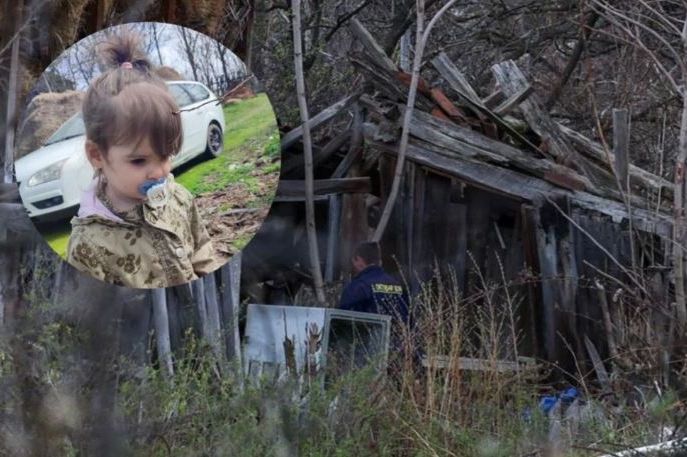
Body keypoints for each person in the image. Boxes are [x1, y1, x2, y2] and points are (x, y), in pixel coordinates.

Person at [66, 33, 218, 288]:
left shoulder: (179, 197)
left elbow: (202, 251)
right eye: (139, 161)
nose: (159, 172)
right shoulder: (88, 244)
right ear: (97, 155)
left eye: (166, 155)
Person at [339, 241, 409, 324]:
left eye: (353, 261)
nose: (353, 265)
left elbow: (342, 322)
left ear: (359, 259)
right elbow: (409, 320)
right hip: (399, 336)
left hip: (367, 336)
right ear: (379, 261)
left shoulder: (356, 288)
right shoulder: (399, 286)